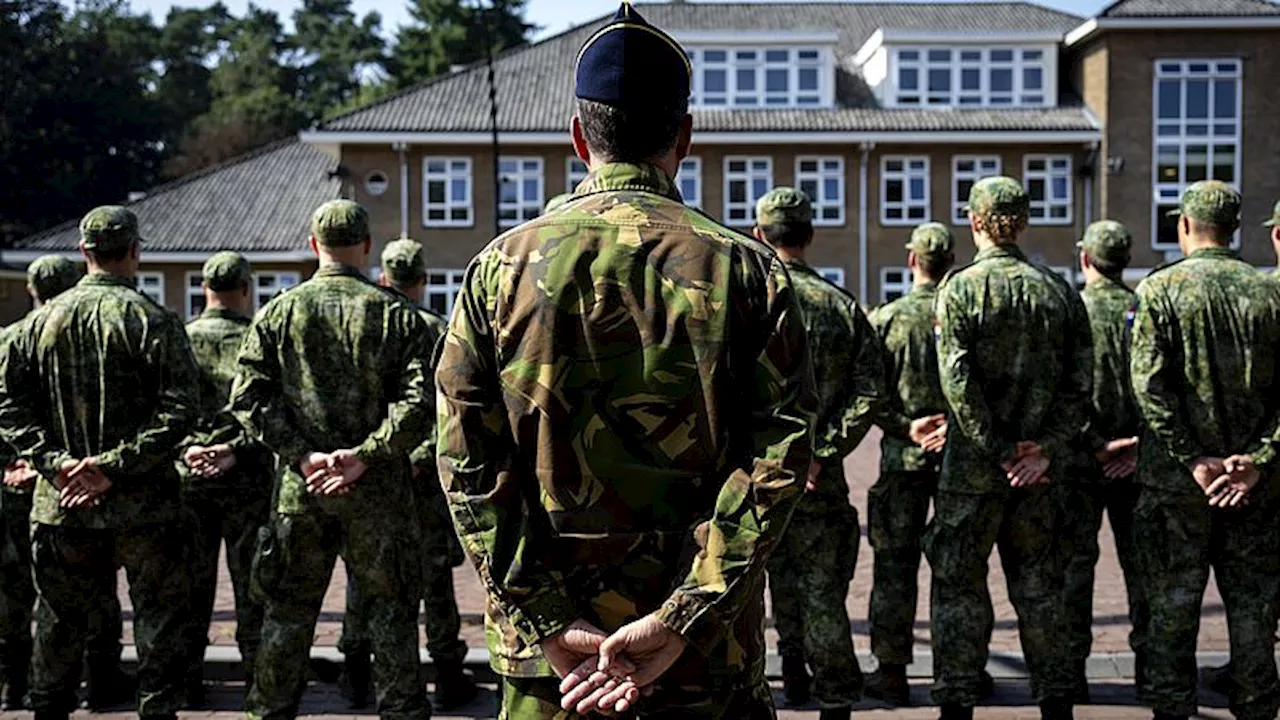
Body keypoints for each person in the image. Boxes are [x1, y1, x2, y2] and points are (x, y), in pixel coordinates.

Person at [435, 4, 815, 718]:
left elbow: (467, 466)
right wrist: (684, 619)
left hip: (555, 671)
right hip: (704, 659)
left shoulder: (498, 270)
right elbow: (778, 462)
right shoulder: (748, 272)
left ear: (580, 137)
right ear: (685, 137)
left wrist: (547, 621)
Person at [229, 200, 435, 720]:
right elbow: (421, 403)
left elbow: (249, 400)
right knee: (391, 615)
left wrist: (304, 458)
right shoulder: (397, 315)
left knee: (288, 616)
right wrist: (365, 456)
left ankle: (270, 713)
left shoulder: (279, 312)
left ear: (312, 244)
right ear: (367, 247)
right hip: (379, 494)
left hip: (303, 494)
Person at [0, 207, 199, 720]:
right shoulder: (155, 321)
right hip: (146, 506)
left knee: (59, 622)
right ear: (135, 251)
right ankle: (156, 710)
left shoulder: (34, 325)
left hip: (62, 503)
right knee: (157, 620)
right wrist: (112, 466)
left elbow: (8, 407)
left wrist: (58, 463)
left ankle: (49, 709)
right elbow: (181, 410)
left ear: (84, 253)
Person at [928, 177, 1091, 720]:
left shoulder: (959, 289)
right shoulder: (1060, 292)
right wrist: (1039, 450)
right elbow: (1081, 389)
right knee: (1042, 591)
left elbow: (958, 384)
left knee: (958, 590)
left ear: (974, 222)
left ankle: (957, 701)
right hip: (1039, 475)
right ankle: (1057, 703)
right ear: (1022, 222)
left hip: (972, 473)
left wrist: (997, 449)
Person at [1128, 180, 1280, 720]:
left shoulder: (1160, 291)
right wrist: (1257, 462)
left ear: (1184, 225)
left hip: (1176, 487)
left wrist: (1192, 458)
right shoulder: (1269, 294)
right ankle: (1258, 705)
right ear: (1235, 229)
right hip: (1252, 490)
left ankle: (1173, 708)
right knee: (1254, 609)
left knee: (1172, 605)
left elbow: (1148, 388)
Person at [751, 188, 882, 720]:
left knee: (775, 585)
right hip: (822, 485)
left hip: (762, 481)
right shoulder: (842, 308)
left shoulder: (749, 303)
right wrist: (821, 453)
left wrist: (779, 456)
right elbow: (870, 390)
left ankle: (792, 675)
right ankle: (835, 699)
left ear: (761, 235)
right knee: (824, 594)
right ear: (808, 236)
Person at [338, 238, 477, 711]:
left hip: (369, 474)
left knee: (365, 576)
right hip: (426, 478)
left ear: (384, 279)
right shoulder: (438, 331)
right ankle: (447, 674)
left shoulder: (364, 324)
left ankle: (356, 674)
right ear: (421, 281)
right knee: (436, 580)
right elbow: (448, 409)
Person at [0, 256, 133, 713]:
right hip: (91, 482)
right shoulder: (108, 329)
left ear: (33, 289)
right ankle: (101, 680)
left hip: (39, 487)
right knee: (97, 592)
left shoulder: (14, 339)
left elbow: (9, 409)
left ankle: (21, 687)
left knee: (30, 598)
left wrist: (24, 462)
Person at [864, 223, 957, 707]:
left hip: (903, 462)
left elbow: (870, 396)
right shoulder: (963, 314)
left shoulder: (888, 320)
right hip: (958, 465)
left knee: (894, 570)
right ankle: (957, 670)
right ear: (950, 263)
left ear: (911, 261)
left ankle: (892, 672)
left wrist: (906, 427)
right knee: (957, 572)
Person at [177, 251, 272, 707]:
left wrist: (189, 449)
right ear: (246, 289)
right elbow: (270, 410)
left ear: (203, 289)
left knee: (191, 589)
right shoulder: (258, 339)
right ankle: (257, 682)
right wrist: (234, 450)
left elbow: (162, 409)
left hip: (188, 479)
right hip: (247, 480)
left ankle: (188, 682)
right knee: (251, 588)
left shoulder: (180, 340)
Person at [1058, 221, 1144, 701]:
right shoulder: (1144, 306)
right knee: (1145, 572)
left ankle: (1070, 676)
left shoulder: (1073, 310)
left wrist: (1094, 443)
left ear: (1086, 260)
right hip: (1137, 463)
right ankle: (1155, 675)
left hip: (1078, 462)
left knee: (1074, 571)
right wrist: (1136, 443)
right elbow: (1167, 383)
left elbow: (1059, 388)